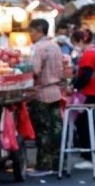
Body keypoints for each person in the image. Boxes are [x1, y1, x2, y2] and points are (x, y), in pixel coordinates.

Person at [26, 18, 66, 174]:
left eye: (32, 31)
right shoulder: (55, 46)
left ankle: (44, 163)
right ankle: (58, 162)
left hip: (41, 93)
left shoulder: (38, 48)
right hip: (55, 92)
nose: (30, 35)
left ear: (39, 30)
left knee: (42, 129)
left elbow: (34, 71)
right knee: (56, 128)